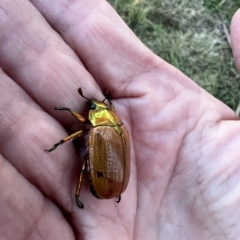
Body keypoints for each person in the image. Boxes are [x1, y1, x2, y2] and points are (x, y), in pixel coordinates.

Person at [0, 1, 240, 239]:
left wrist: (59, 141)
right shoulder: (118, 129)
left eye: (93, 106)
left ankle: (76, 193)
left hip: (104, 183)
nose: (91, 106)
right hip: (114, 185)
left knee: (84, 167)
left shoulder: (101, 131)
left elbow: (79, 128)